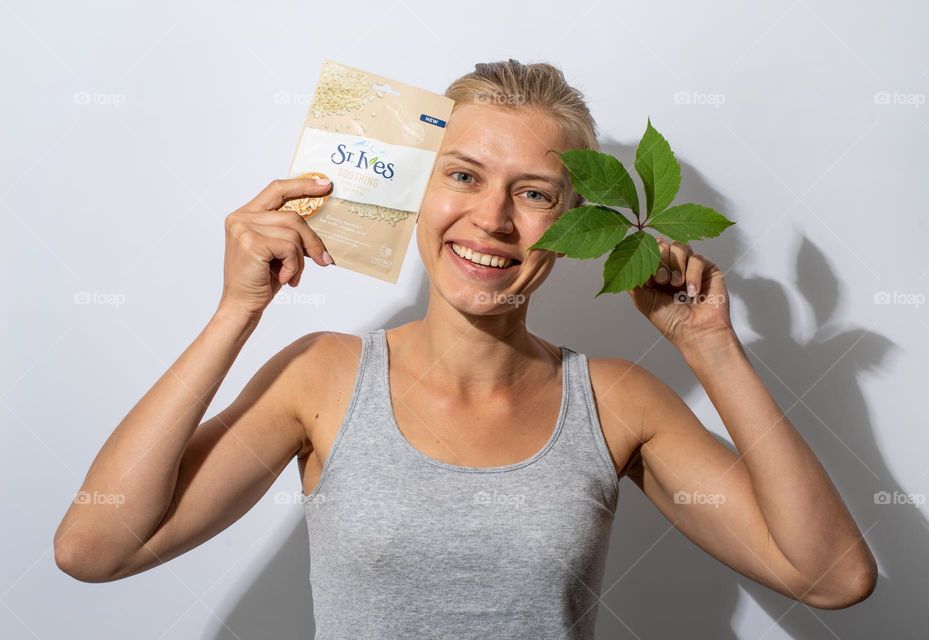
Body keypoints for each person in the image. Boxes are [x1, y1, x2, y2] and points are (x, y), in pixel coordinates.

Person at [54, 59, 877, 638]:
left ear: (577, 223)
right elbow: (96, 548)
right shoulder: (322, 377)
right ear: (420, 190)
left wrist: (713, 351)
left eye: (534, 193)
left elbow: (833, 578)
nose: (491, 218)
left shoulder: (616, 400)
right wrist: (238, 310)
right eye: (463, 176)